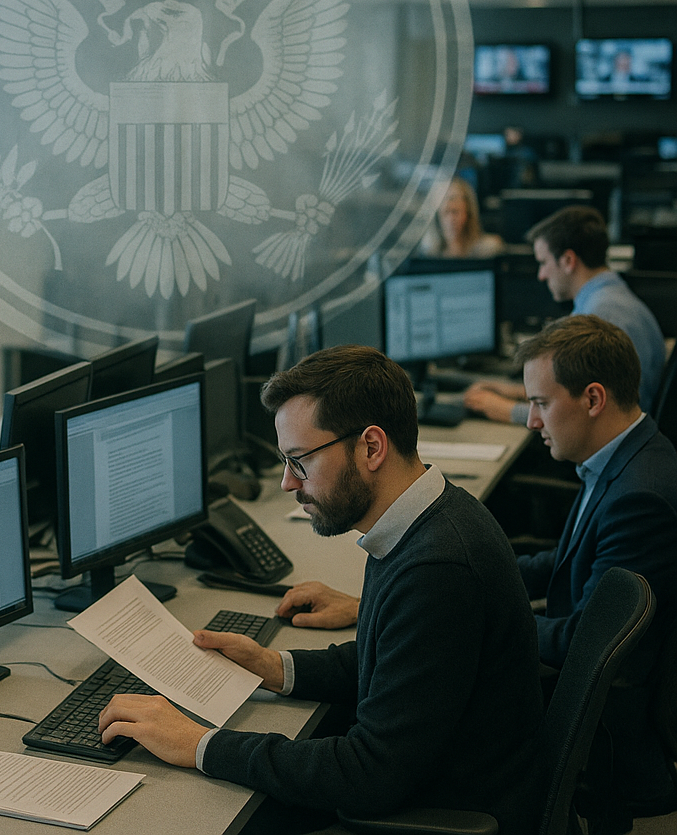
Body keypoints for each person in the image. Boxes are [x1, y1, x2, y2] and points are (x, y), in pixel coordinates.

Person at [98, 346, 544, 835]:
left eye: (300, 461)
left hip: (443, 810)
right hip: (437, 779)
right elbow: (392, 662)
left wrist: (200, 743)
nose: (288, 482)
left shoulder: (437, 568)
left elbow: (369, 773)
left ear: (371, 447)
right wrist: (276, 667)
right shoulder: (424, 516)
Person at [512, 315, 677, 824]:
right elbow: (561, 563)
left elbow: (586, 642)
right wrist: (459, 575)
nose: (530, 421)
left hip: (612, 730)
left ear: (593, 399)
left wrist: (481, 612)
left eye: (540, 403)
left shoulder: (640, 496)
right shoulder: (623, 456)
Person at [464, 205, 665, 423]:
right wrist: (512, 391)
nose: (541, 275)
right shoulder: (608, 299)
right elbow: (573, 388)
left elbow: (579, 415)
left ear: (568, 260)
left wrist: (501, 408)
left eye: (543, 262)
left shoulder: (602, 316)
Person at [420, 176, 503, 258]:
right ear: (437, 217)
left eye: (455, 212)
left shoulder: (488, 250)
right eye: (446, 212)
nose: (451, 219)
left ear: (468, 213)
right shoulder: (429, 254)